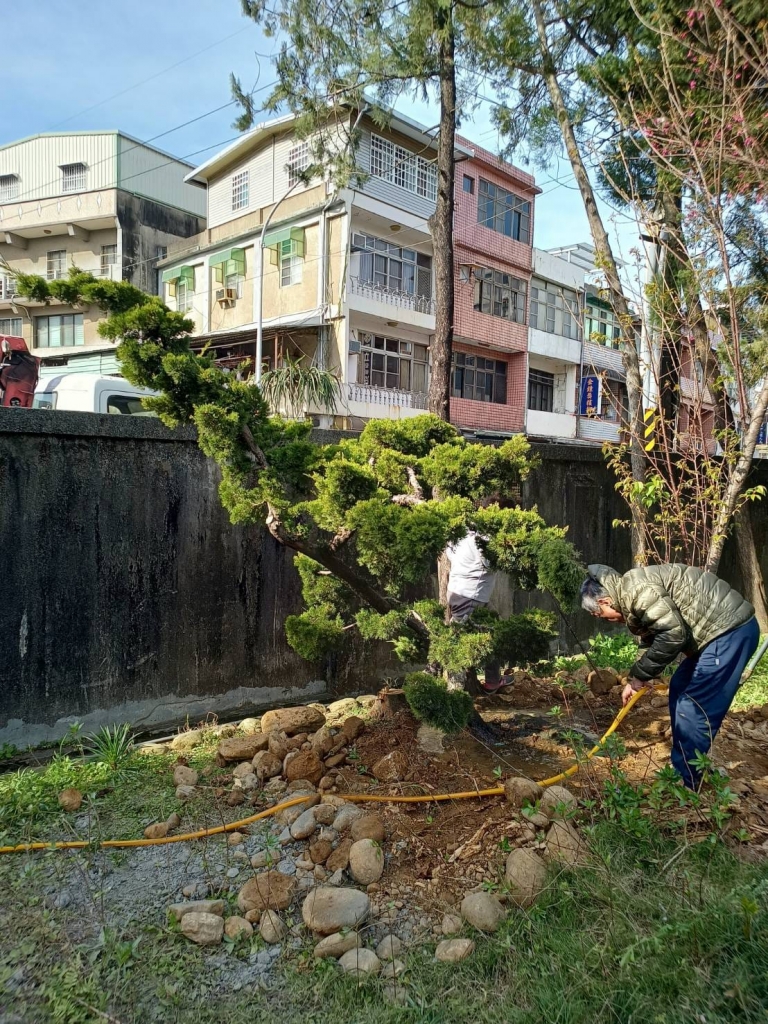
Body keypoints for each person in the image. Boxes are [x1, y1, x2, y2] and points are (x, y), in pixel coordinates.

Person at [580, 563, 759, 789]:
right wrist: (638, 677)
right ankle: (689, 768)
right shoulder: (629, 593)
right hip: (717, 636)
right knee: (680, 686)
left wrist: (639, 676)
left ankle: (687, 782)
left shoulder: (638, 590)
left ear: (605, 601)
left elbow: (672, 634)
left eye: (600, 615)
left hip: (729, 633)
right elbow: (652, 637)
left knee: (692, 705)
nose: (604, 619)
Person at [445, 531, 511, 693]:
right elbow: (491, 563)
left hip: (462, 592)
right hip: (470, 597)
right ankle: (453, 691)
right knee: (455, 642)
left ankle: (493, 681)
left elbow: (450, 552)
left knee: (495, 630)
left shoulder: (464, 533)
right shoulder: (486, 539)